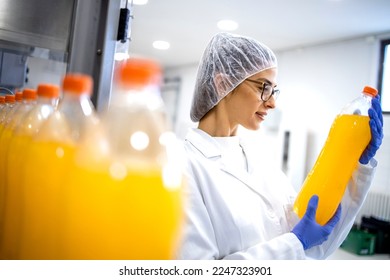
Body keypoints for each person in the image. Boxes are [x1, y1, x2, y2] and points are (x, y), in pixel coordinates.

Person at [176, 32, 383, 259]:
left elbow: (314, 244)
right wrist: (294, 244)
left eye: (273, 90)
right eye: (263, 87)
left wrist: (357, 163)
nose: (272, 102)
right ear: (223, 82)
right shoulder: (182, 168)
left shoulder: (259, 158)